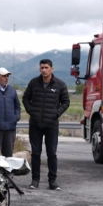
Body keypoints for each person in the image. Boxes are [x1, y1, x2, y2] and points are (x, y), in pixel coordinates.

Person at [22, 59, 70, 191]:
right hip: (35, 124)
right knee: (36, 154)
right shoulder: (34, 83)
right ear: (39, 69)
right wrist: (31, 111)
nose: (44, 70)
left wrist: (56, 113)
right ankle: (35, 180)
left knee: (52, 154)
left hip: (52, 124)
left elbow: (66, 102)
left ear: (51, 69)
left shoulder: (60, 84)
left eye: (46, 67)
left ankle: (52, 181)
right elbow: (25, 98)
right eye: (42, 68)